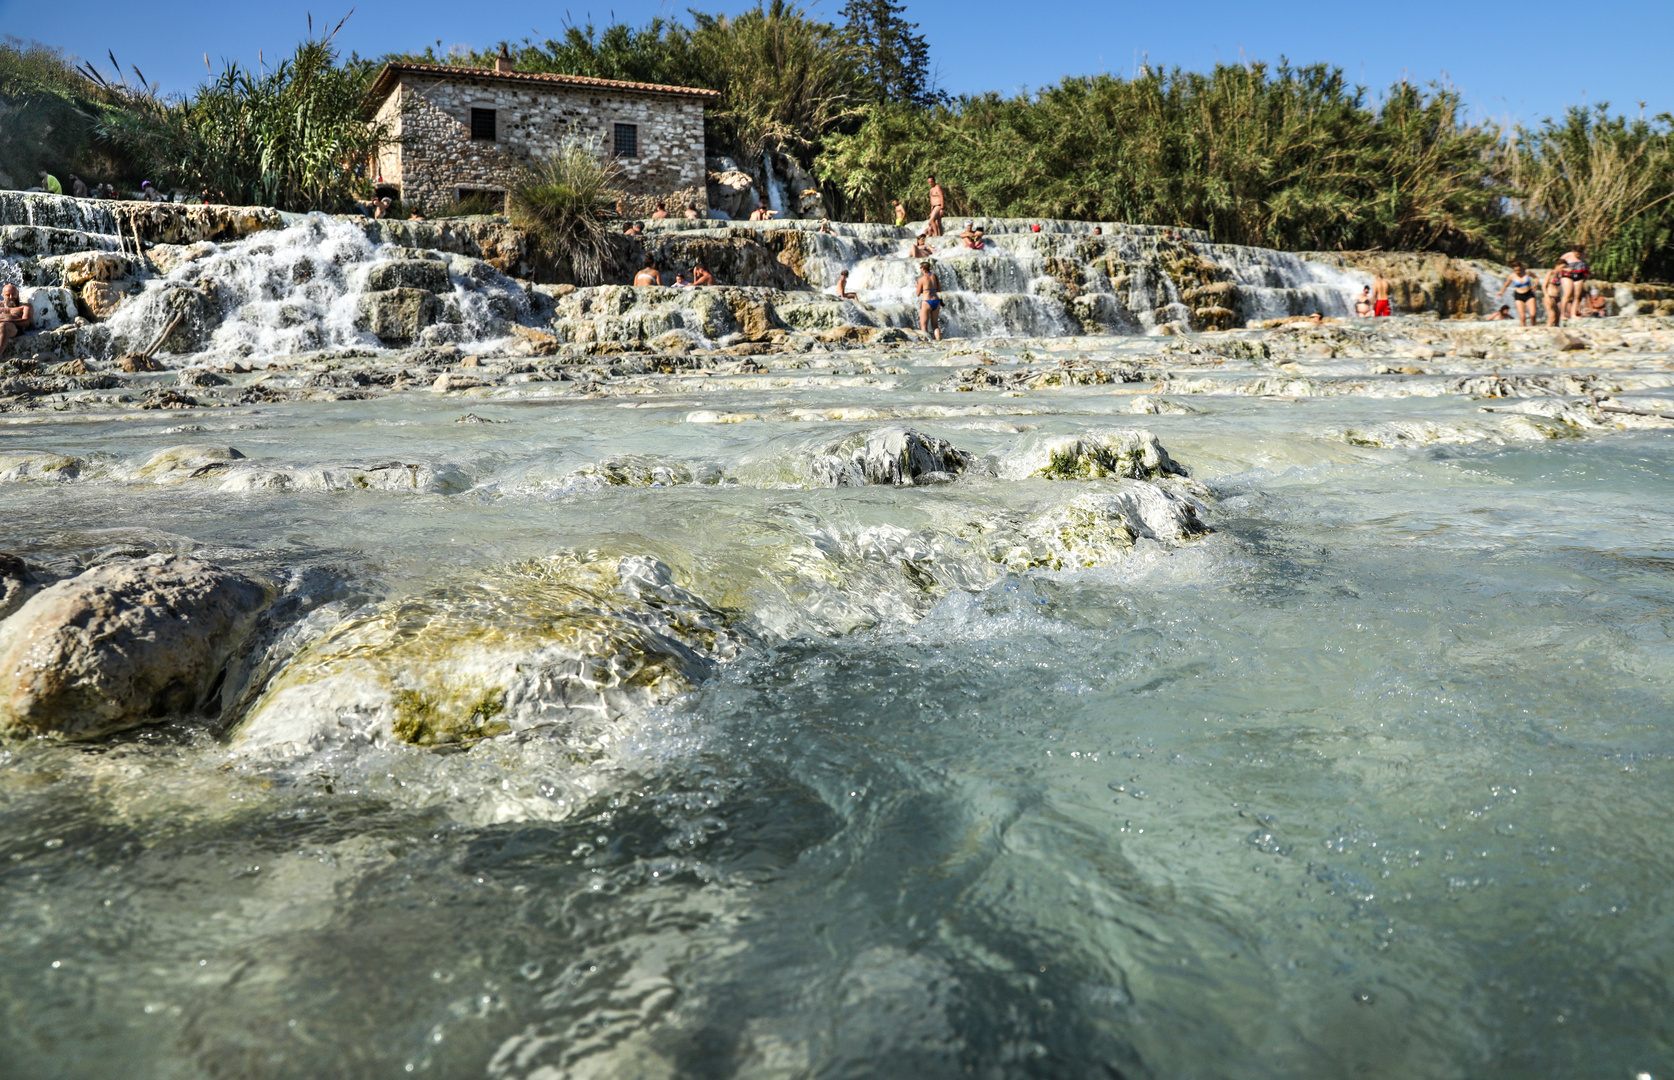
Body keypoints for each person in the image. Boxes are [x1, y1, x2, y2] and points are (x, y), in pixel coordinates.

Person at [0, 283, 33, 358]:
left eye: (13, 294)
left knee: (3, 326)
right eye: (8, 295)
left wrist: (8, 320)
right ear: (3, 295)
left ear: (17, 293)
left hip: (15, 329)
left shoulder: (25, 306)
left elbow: (26, 322)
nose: (11, 297)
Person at [1559, 245, 1589, 320]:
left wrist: (1588, 271)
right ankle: (1562, 314)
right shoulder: (1566, 256)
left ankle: (1573, 314)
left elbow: (1585, 265)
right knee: (1567, 295)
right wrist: (1566, 269)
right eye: (1577, 253)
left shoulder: (1584, 256)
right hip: (1567, 276)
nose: (1578, 255)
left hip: (1579, 276)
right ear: (1573, 251)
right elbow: (1557, 267)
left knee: (1577, 296)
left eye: (1580, 253)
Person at [916, 260, 942, 341]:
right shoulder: (935, 276)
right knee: (935, 325)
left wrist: (917, 286)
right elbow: (939, 289)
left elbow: (917, 293)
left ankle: (927, 343)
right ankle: (939, 340)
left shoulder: (922, 279)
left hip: (926, 301)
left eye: (920, 268)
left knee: (924, 326)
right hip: (936, 301)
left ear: (923, 269)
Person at [1543, 261, 1566, 326]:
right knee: (1552, 318)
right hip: (1550, 296)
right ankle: (1545, 330)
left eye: (1565, 267)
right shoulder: (1550, 273)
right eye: (1562, 267)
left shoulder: (1559, 275)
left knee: (1557, 319)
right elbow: (1544, 286)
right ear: (1557, 265)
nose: (1563, 269)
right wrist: (1547, 296)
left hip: (1557, 298)